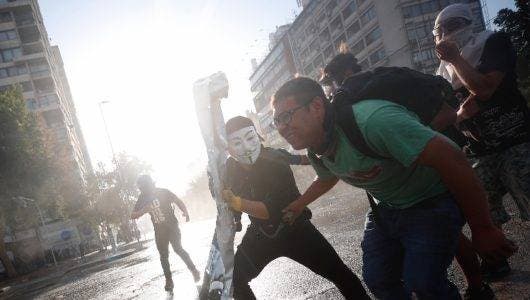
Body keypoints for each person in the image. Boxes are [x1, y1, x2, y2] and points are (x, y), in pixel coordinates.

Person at [271, 77, 517, 299]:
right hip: (387, 208)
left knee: (424, 284)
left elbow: (453, 159)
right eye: (276, 121)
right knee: (379, 280)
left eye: (286, 116)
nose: (281, 128)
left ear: (316, 107)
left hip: (432, 202)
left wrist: (483, 228)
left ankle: (476, 288)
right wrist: (299, 203)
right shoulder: (315, 146)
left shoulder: (372, 121)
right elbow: (326, 177)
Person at [221, 116, 369, 300]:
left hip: (295, 230)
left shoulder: (275, 161)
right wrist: (230, 208)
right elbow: (227, 196)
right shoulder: (228, 169)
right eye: (236, 143)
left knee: (340, 274)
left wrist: (237, 202)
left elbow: (270, 211)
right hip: (261, 236)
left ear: (258, 137)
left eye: (250, 138)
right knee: (233, 280)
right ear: (228, 149)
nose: (246, 147)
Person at [435, 3, 530, 281]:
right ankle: (497, 260)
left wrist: (455, 60)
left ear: (468, 23)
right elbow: (449, 113)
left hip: (517, 140)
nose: (446, 35)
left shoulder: (493, 42)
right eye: (440, 32)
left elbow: (485, 88)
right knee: (483, 214)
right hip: (479, 152)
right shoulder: (442, 72)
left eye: (452, 27)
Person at [131, 175, 200, 291]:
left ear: (150, 184)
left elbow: (177, 200)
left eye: (145, 187)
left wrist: (186, 212)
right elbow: (132, 215)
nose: (144, 190)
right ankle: (169, 280)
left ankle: (194, 270)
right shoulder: (142, 198)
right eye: (142, 189)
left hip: (172, 226)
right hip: (159, 231)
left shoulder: (163, 192)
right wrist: (144, 210)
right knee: (163, 256)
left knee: (178, 248)